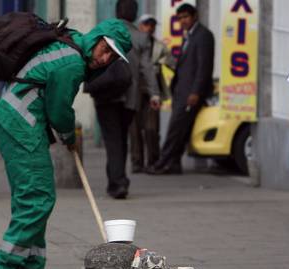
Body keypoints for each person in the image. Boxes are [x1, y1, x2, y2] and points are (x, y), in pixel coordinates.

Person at [0, 19, 131, 269]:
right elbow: (59, 110)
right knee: (38, 196)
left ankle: (30, 267)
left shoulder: (73, 44)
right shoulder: (72, 63)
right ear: (97, 38)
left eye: (113, 56)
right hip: (22, 123)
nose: (105, 59)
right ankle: (5, 263)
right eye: (106, 50)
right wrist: (68, 135)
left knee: (32, 196)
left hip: (18, 121)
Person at [91, 0, 160, 199]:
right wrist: (154, 93)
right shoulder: (141, 37)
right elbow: (146, 67)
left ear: (117, 11)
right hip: (129, 98)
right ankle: (117, 181)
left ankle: (117, 182)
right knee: (121, 139)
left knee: (112, 140)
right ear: (135, 14)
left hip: (105, 95)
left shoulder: (106, 31)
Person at [147, 3, 214, 175]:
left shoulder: (203, 36)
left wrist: (195, 92)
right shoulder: (189, 36)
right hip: (181, 91)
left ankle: (162, 163)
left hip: (190, 93)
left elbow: (203, 68)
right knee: (180, 129)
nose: (183, 21)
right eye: (180, 18)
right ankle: (174, 164)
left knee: (175, 129)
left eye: (186, 17)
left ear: (194, 16)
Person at [129, 14, 173, 173]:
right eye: (147, 24)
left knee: (151, 128)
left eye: (152, 25)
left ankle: (153, 160)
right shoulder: (132, 42)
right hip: (134, 88)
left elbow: (172, 62)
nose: (150, 28)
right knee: (134, 128)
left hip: (152, 89)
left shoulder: (160, 46)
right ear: (140, 26)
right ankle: (136, 161)